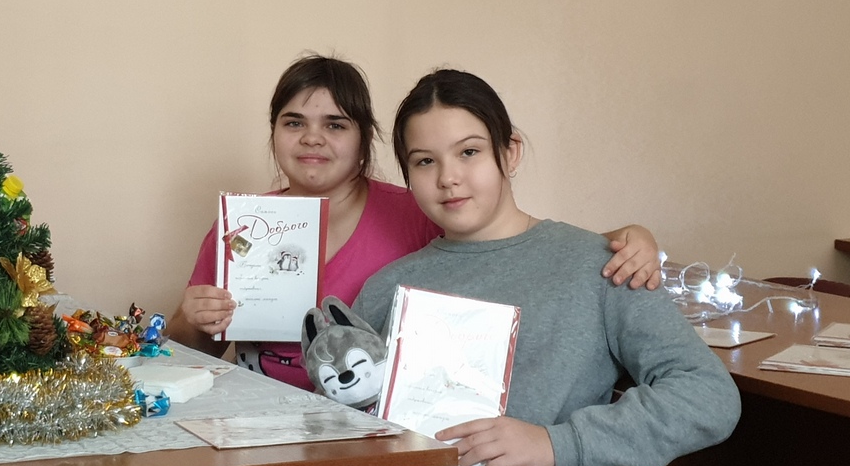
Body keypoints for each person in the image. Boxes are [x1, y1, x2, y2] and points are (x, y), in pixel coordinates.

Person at [351, 69, 741, 466]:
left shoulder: (600, 265)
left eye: (469, 152)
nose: (448, 177)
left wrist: (555, 443)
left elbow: (709, 396)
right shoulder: (388, 286)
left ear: (509, 152)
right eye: (425, 161)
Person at [168, 54, 663, 392]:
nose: (312, 138)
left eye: (335, 125)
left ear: (365, 139)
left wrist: (625, 241)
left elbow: (511, 250)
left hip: (374, 422)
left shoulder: (421, 208)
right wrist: (192, 320)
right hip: (256, 416)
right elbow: (187, 352)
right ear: (274, 132)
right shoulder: (242, 226)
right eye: (294, 122)